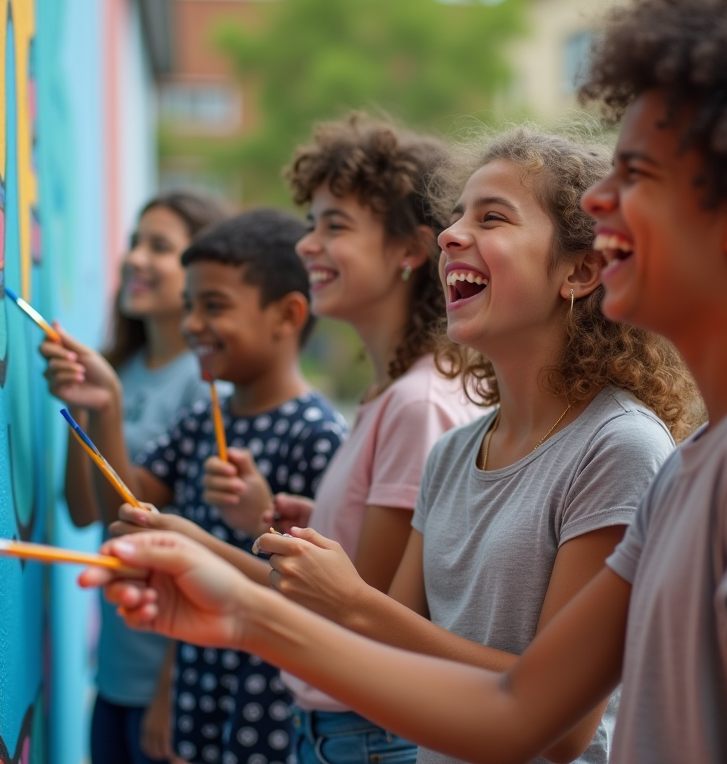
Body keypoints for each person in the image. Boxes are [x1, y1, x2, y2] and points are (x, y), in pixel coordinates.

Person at [80, 0, 727, 763]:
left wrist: (276, 609)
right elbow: (518, 708)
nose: (599, 198)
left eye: (637, 174)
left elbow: (548, 728)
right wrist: (244, 617)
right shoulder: (706, 457)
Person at [252, 127, 697, 764]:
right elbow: (392, 649)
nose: (450, 234)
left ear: (581, 269)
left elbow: (564, 727)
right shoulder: (453, 453)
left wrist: (350, 600)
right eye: (457, 215)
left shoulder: (617, 447)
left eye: (491, 217)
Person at [114, 114, 484, 764]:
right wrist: (306, 522)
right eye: (311, 223)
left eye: (334, 225)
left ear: (411, 250)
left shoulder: (414, 403)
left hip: (364, 737)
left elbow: (357, 616)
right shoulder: (388, 397)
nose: (307, 245)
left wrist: (198, 545)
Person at [42, 209, 347, 764]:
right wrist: (105, 407)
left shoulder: (320, 437)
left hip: (268, 703)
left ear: (287, 316)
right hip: (193, 687)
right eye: (190, 307)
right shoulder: (201, 422)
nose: (192, 325)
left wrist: (258, 522)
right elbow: (126, 513)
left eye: (214, 307)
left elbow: (322, 596)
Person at [42, 190, 225, 764]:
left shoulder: (208, 386)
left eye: (160, 247)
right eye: (135, 242)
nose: (136, 259)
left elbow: (209, 546)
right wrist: (89, 408)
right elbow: (82, 509)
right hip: (116, 670)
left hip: (171, 680)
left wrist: (171, 689)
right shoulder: (118, 368)